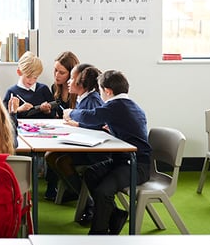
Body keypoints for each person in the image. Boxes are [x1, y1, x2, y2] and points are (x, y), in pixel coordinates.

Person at [63, 70, 152, 235]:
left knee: (103, 191)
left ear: (108, 91)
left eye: (101, 91)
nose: (100, 95)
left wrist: (71, 113)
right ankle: (115, 215)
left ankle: (99, 234)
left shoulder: (115, 105)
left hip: (136, 165)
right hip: (125, 161)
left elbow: (91, 116)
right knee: (91, 173)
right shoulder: (129, 105)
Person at [47, 64, 107, 222]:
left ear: (83, 83)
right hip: (82, 145)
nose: (68, 81)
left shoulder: (93, 100)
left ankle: (89, 203)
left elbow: (97, 124)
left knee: (62, 161)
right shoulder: (82, 98)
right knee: (50, 156)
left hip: (95, 152)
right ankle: (77, 191)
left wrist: (78, 124)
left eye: (72, 79)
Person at [44, 51, 80, 200]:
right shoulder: (55, 88)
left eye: (61, 72)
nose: (56, 75)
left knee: (54, 153)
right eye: (55, 70)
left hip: (77, 137)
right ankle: (54, 188)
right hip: (63, 133)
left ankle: (77, 192)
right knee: (50, 153)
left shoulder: (78, 91)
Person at [3, 51, 56, 124]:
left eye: (35, 78)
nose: (31, 81)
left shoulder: (43, 89)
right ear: (19, 72)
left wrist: (47, 111)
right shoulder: (11, 92)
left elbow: (54, 114)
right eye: (28, 77)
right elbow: (4, 117)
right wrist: (18, 110)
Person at [51, 51, 80, 118]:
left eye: (62, 73)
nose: (56, 75)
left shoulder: (81, 90)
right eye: (55, 70)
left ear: (71, 74)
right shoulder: (54, 87)